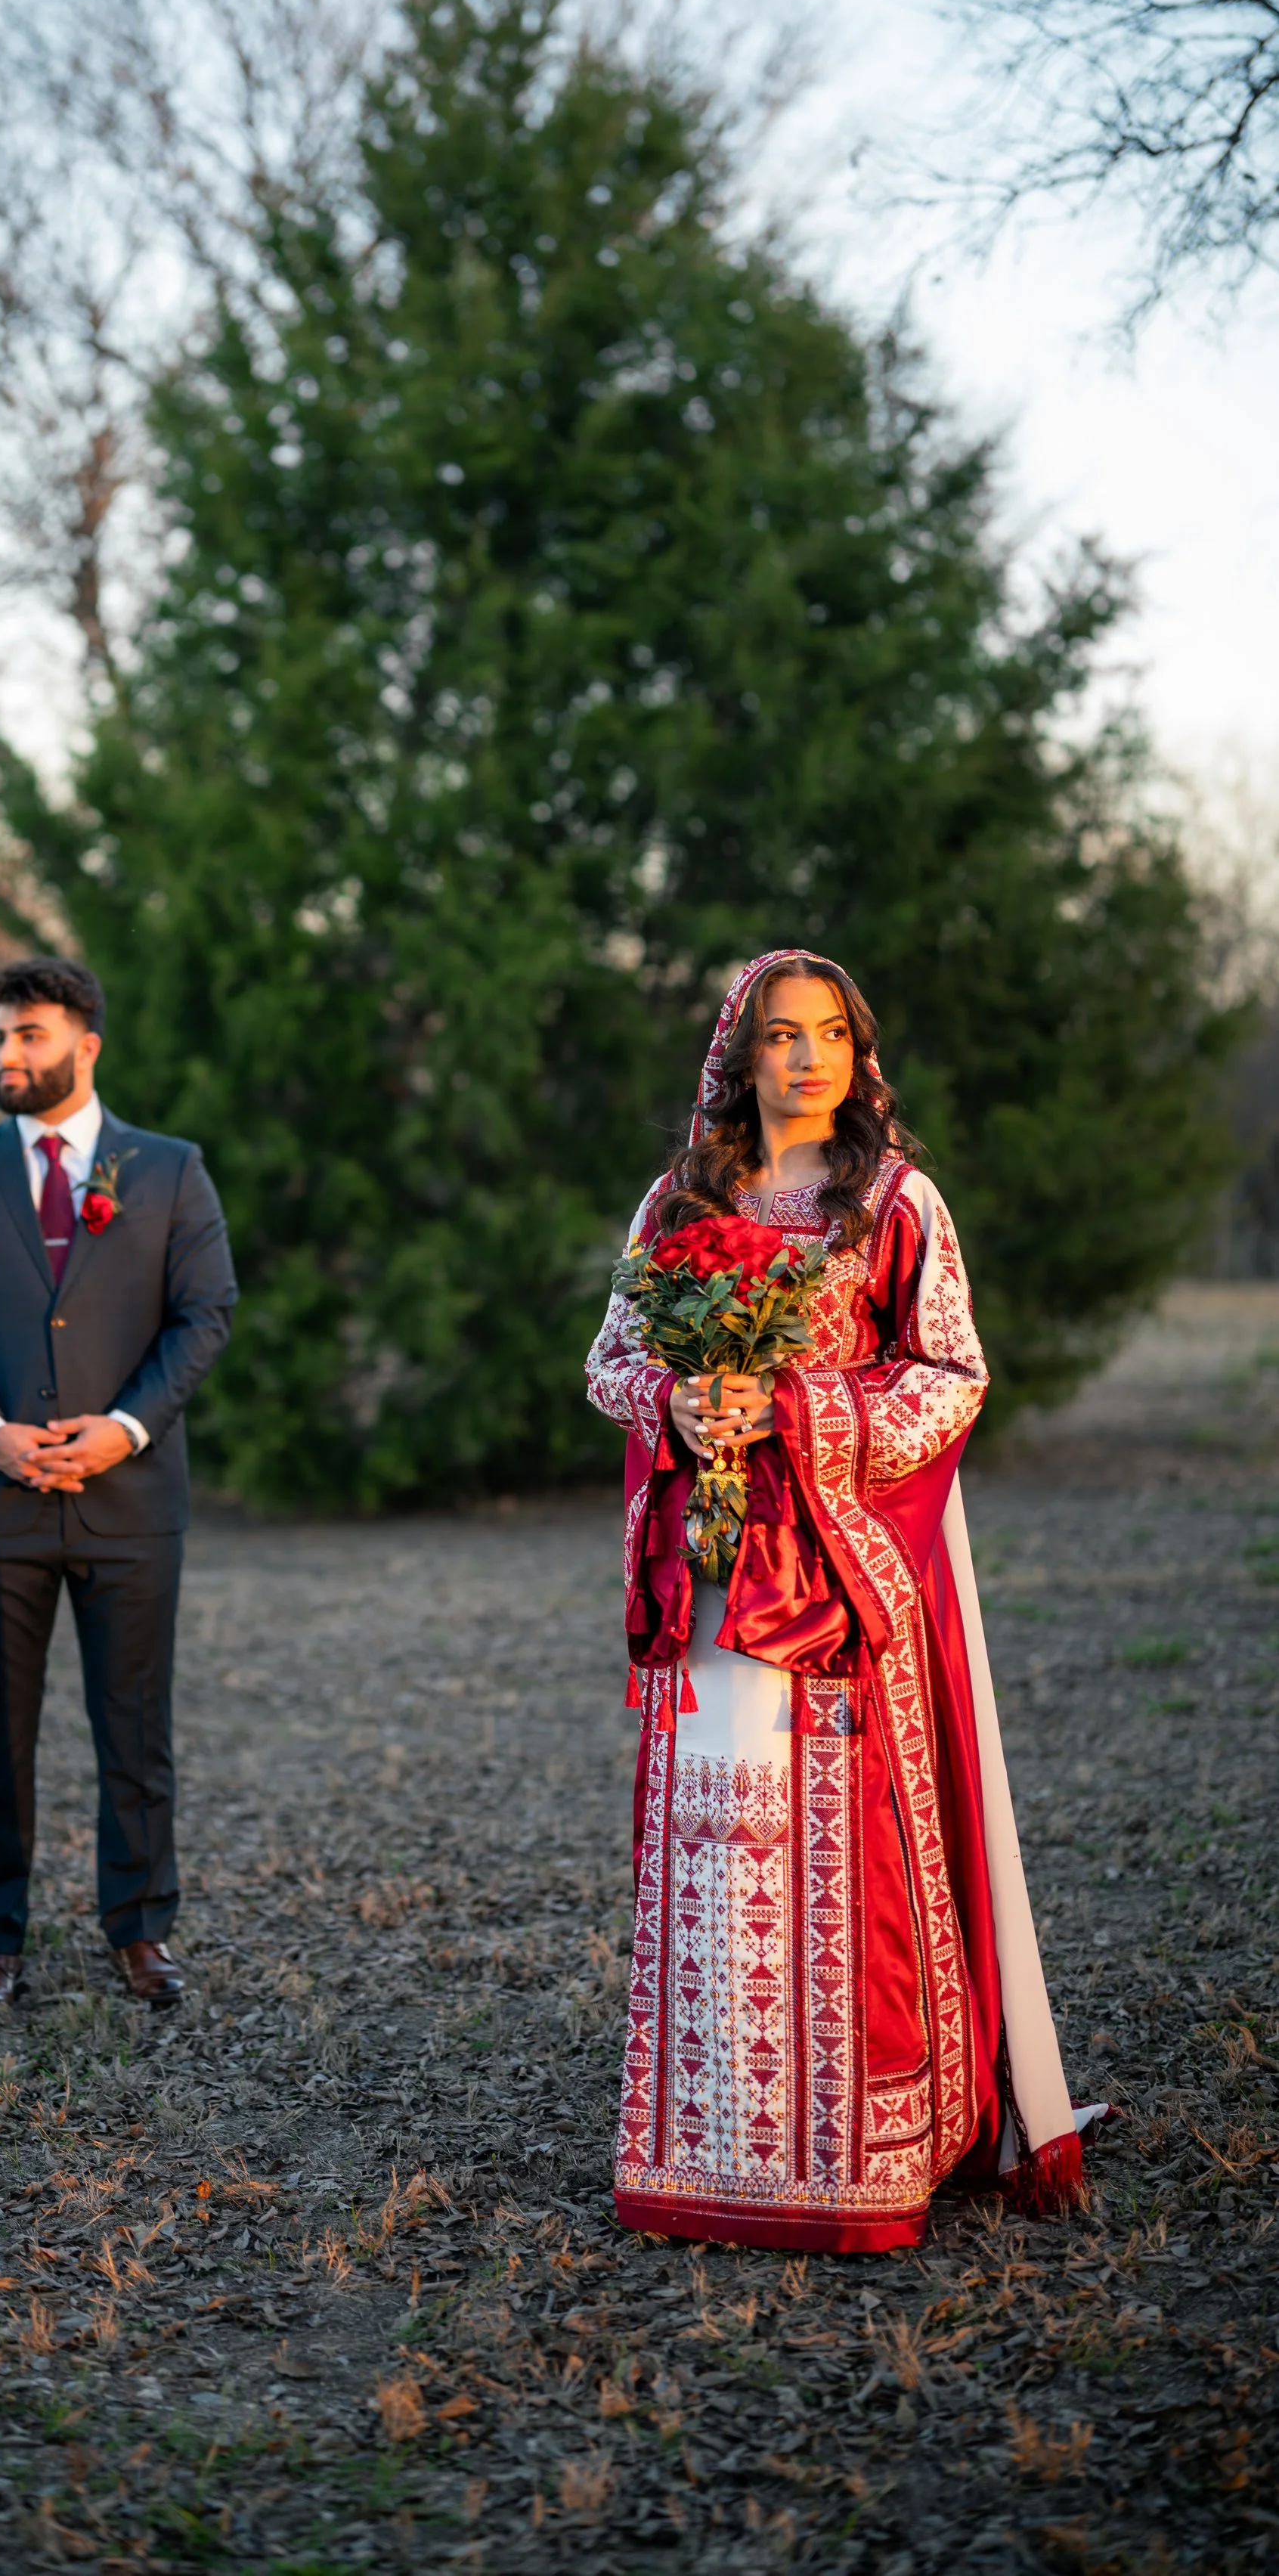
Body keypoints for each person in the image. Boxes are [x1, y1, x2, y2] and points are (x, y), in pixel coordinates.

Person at [586, 950, 1098, 2251]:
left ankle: (859, 2158)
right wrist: (681, 1399)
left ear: (855, 1053)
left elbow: (953, 1375)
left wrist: (797, 1407)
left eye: (827, 1034)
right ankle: (711, 2139)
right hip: (708, 1576)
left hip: (835, 1583)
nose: (805, 1058)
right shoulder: (677, 1203)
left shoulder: (896, 1203)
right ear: (740, 1056)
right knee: (715, 1832)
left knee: (835, 1846)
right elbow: (612, 1357)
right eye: (779, 1035)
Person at [0, 955, 236, 2013]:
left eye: (28, 1034)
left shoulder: (169, 1169)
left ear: (86, 1044)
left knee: (136, 1728)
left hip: (129, 1502)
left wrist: (124, 1427)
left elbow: (205, 1313)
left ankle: (141, 1932)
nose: (7, 1054)